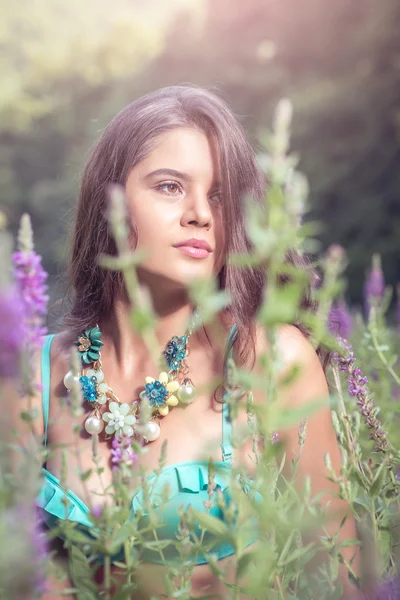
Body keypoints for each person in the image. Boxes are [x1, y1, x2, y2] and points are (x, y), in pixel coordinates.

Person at [30, 85, 357, 598]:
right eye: (169, 186)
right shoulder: (37, 372)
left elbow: (341, 576)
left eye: (220, 195)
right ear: (107, 202)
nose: (200, 213)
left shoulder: (267, 361)